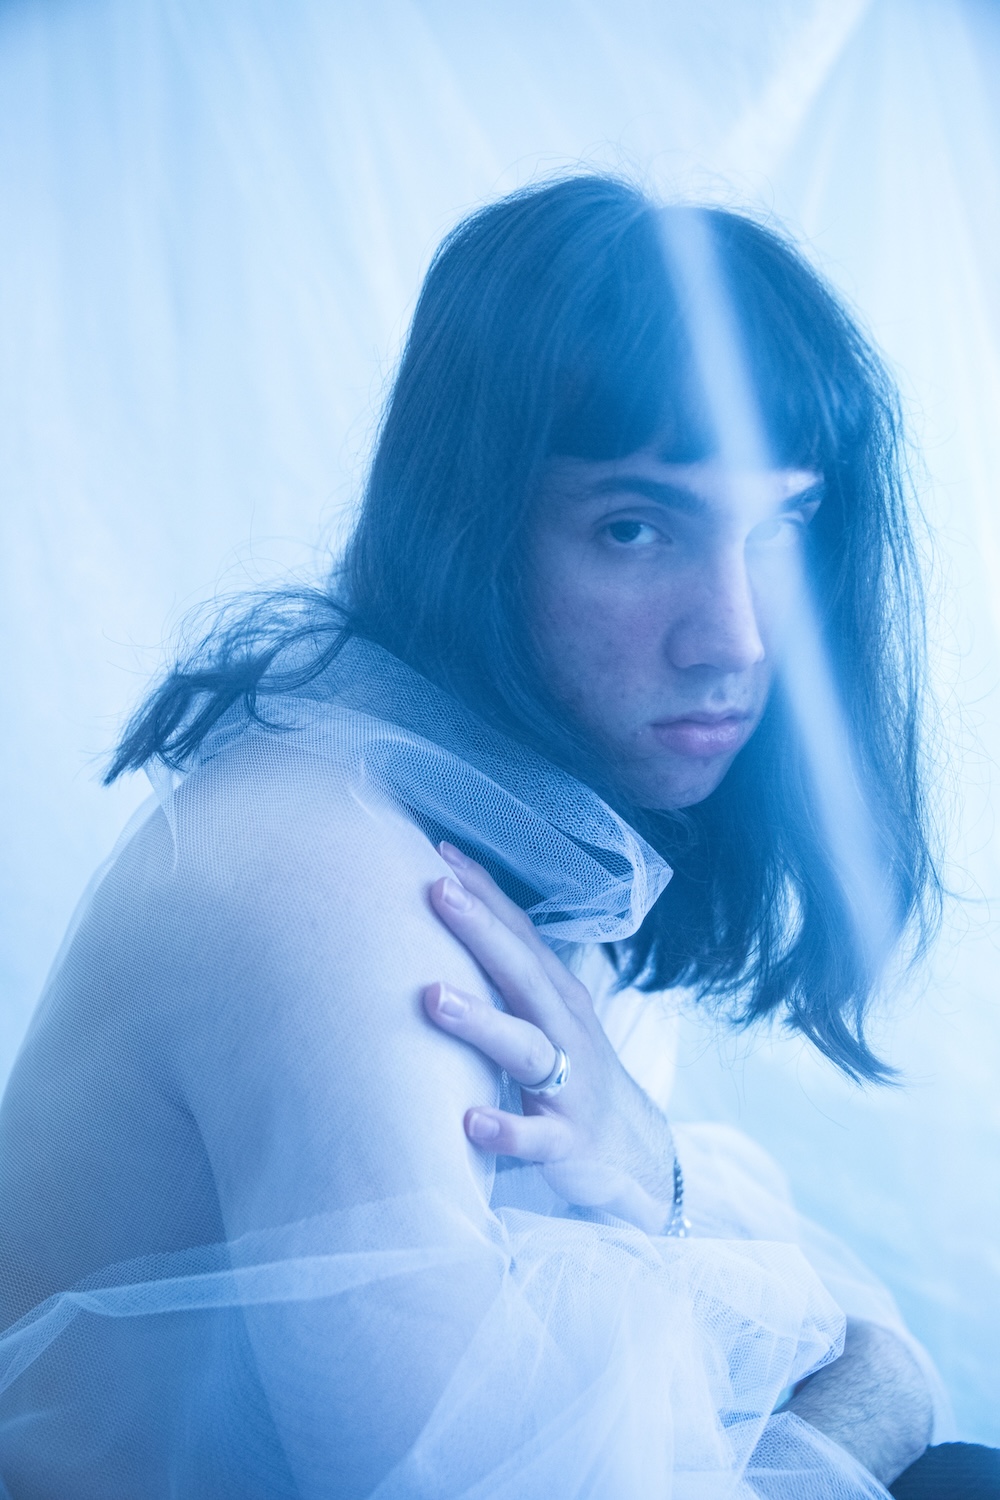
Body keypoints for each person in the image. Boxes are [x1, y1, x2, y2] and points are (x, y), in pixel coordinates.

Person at [0, 174, 995, 1498]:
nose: (738, 638)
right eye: (634, 528)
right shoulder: (328, 884)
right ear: (467, 530)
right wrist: (874, 1388)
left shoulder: (528, 827)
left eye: (782, 530)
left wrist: (665, 1180)